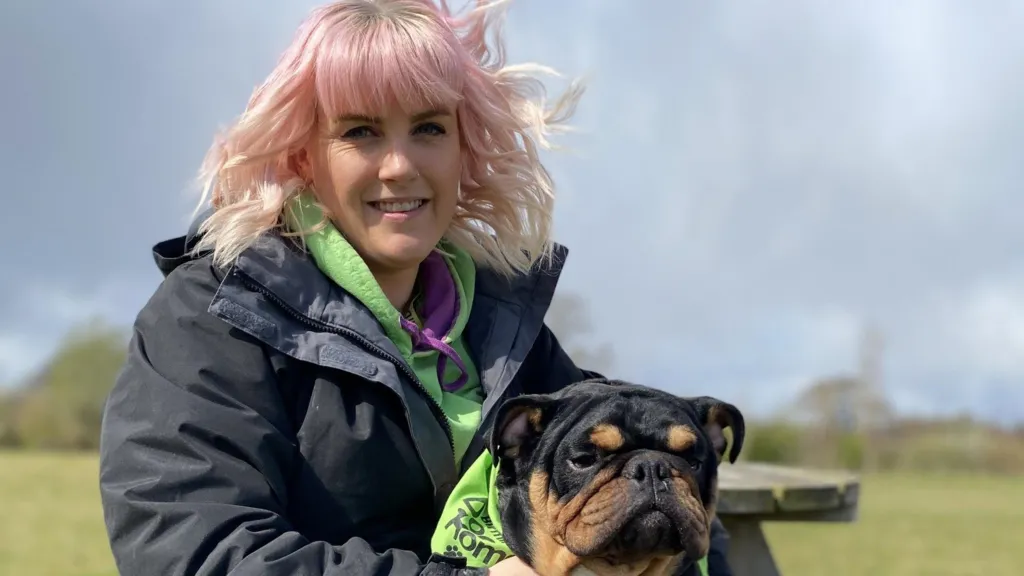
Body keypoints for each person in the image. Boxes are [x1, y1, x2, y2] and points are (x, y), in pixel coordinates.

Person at [97, 1, 733, 575]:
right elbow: (195, 552)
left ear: (466, 147)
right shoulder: (208, 317)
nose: (399, 165)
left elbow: (648, 477)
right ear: (301, 156)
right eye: (359, 131)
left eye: (429, 127)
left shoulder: (501, 322)